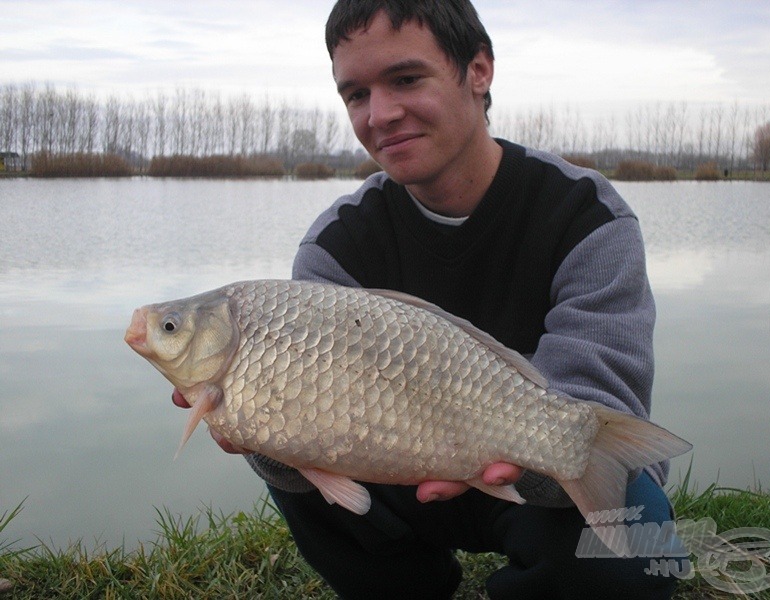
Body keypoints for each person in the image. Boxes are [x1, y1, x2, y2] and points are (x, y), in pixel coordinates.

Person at [175, 1, 684, 597]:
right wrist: (261, 431)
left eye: (406, 79)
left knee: (632, 539)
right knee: (300, 473)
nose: (381, 115)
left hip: (527, 473)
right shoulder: (336, 246)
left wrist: (512, 454)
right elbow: (303, 446)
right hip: (386, 467)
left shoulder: (588, 219)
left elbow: (598, 408)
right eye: (356, 94)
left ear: (479, 70)